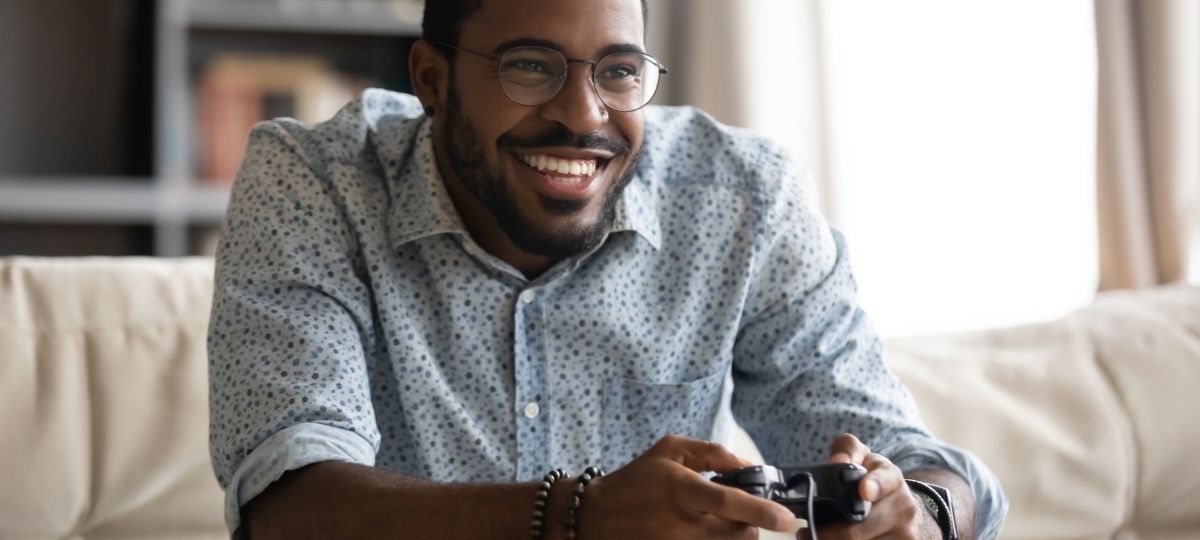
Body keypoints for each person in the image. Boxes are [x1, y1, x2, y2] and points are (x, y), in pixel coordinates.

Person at [207, 0, 1008, 538]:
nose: (583, 115)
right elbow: (290, 502)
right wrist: (577, 516)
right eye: (530, 66)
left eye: (619, 72)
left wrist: (921, 511)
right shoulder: (315, 181)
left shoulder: (743, 199)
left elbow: (926, 464)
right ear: (433, 81)